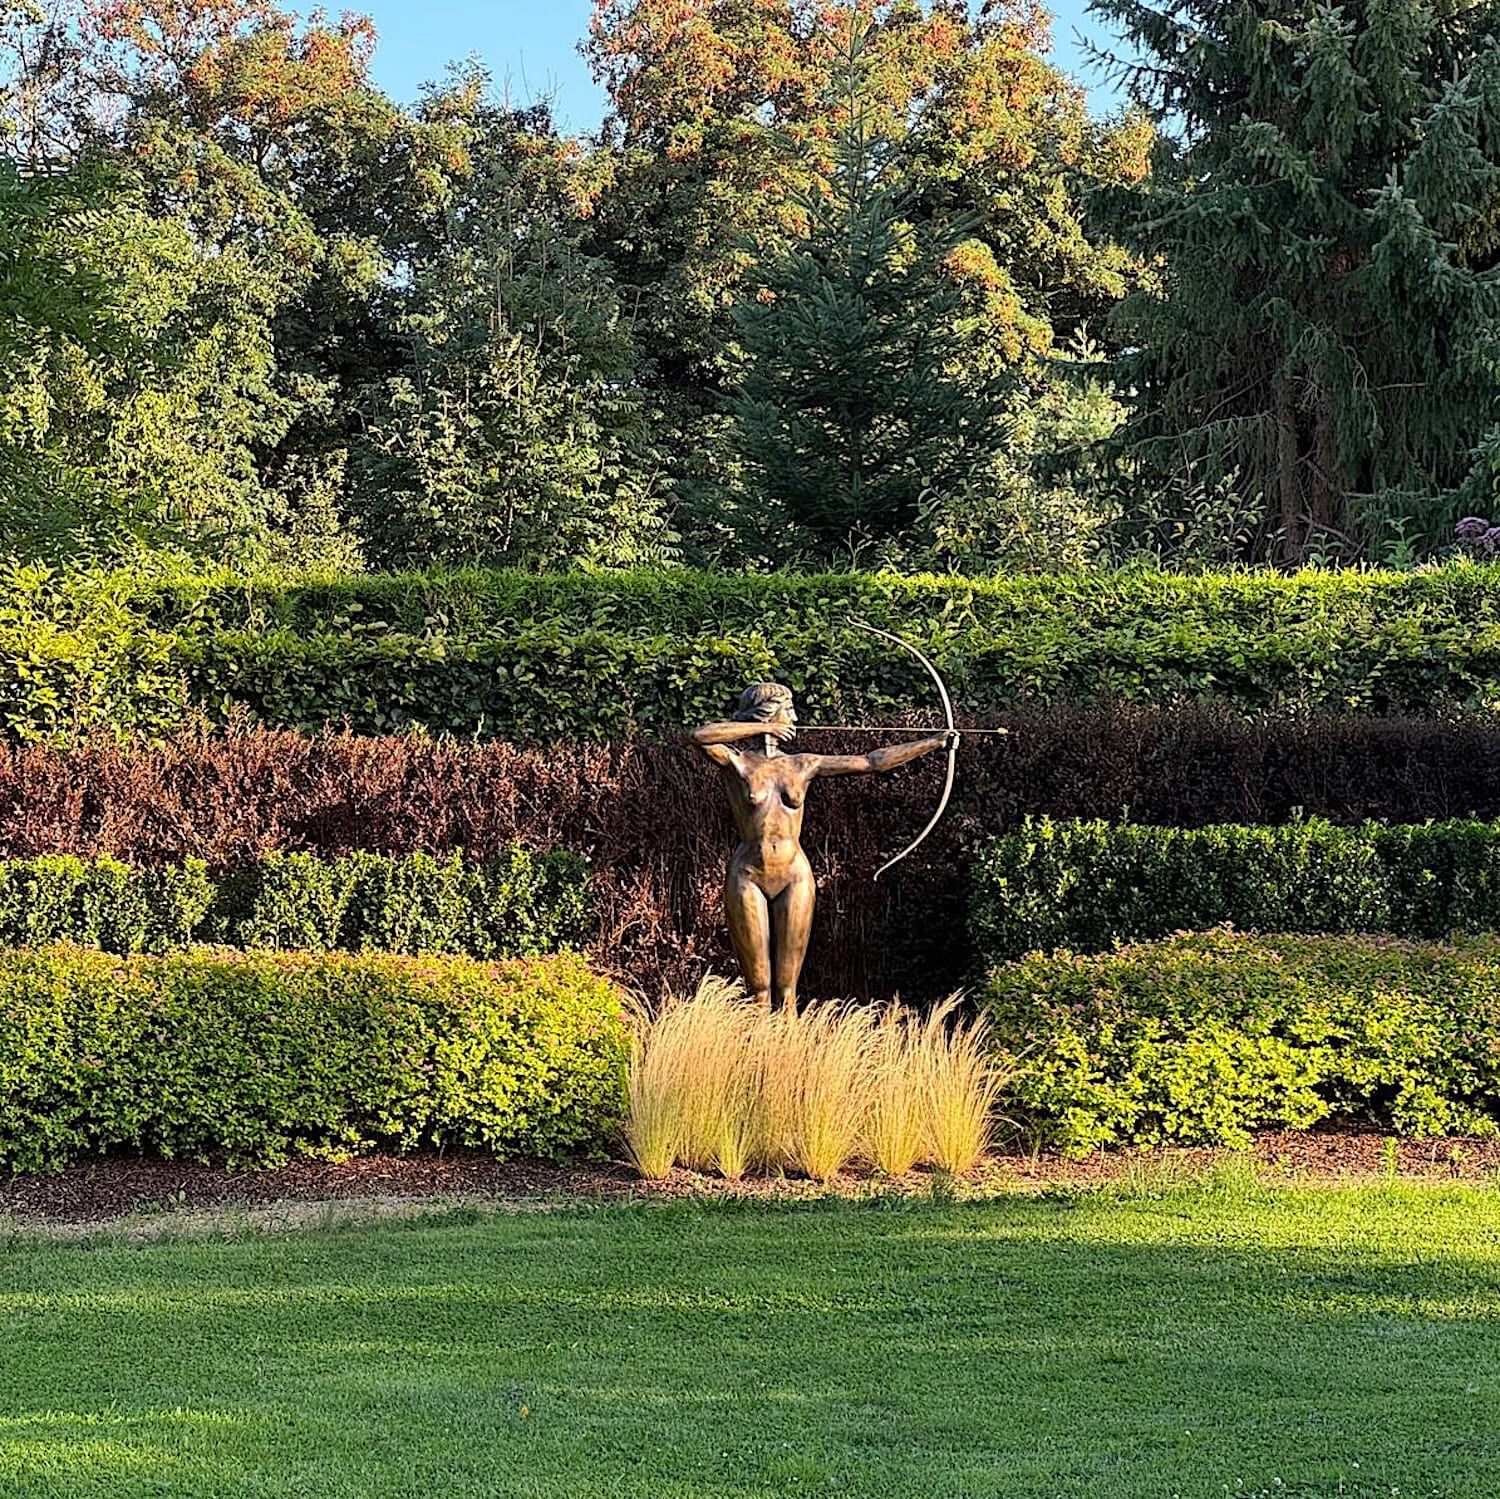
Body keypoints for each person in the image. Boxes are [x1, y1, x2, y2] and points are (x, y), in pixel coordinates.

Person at [690, 681, 956, 1008]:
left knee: (787, 989)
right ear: (768, 714)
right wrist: (761, 727)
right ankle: (757, 1054)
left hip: (794, 875)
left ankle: (790, 1051)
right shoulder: (738, 762)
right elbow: (700, 735)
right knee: (758, 987)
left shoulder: (803, 763)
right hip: (749, 873)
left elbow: (871, 762)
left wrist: (932, 743)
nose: (795, 718)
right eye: (788, 710)